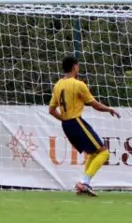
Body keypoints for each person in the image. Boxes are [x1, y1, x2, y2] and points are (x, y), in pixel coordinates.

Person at [48, 56, 121, 197]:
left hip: (67, 125)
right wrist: (109, 109)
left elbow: (51, 110)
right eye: (78, 66)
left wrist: (64, 119)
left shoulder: (57, 85)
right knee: (104, 152)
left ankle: (83, 183)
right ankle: (84, 182)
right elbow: (95, 105)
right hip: (76, 121)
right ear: (75, 67)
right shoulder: (78, 84)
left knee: (94, 153)